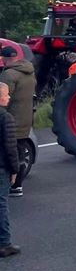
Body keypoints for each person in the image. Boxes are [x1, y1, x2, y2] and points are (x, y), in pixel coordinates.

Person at [0, 47, 35, 197]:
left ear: (4, 58)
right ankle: (17, 186)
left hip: (10, 118)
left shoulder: (8, 75)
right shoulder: (29, 71)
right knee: (19, 153)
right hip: (25, 118)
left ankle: (9, 185)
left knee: (8, 152)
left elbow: (3, 97)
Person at [0, 84, 19, 257]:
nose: (9, 98)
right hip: (1, 167)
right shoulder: (5, 118)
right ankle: (4, 243)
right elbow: (11, 147)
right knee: (1, 204)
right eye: (6, 95)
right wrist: (15, 169)